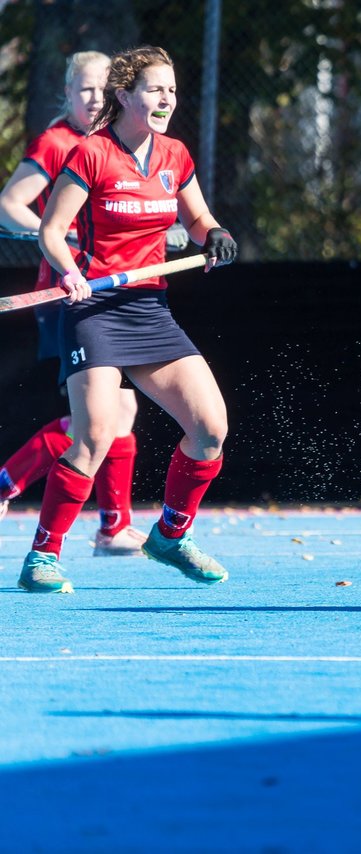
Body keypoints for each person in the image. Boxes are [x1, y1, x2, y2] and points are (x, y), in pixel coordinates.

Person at [18, 45, 237, 593]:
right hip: (91, 307)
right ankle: (43, 556)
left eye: (171, 90)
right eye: (155, 90)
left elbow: (198, 215)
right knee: (92, 437)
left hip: (148, 307)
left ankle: (170, 535)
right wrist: (68, 272)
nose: (167, 99)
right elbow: (50, 232)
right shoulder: (91, 154)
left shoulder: (174, 156)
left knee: (210, 428)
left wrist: (215, 234)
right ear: (125, 96)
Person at [0, 51, 154, 558]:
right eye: (84, 89)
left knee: (120, 412)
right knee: (97, 420)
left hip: (117, 295)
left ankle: (113, 526)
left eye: (102, 88)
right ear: (66, 94)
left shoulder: (123, 143)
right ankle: (9, 482)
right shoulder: (59, 142)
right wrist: (66, 235)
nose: (94, 98)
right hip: (71, 293)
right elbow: (10, 203)